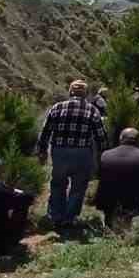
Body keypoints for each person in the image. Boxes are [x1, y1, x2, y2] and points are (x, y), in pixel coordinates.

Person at [36, 80, 107, 229]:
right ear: (86, 94)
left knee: (58, 184)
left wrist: (42, 151)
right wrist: (103, 154)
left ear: (70, 92)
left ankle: (56, 216)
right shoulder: (92, 110)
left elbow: (45, 132)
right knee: (78, 186)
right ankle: (69, 218)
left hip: (59, 152)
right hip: (82, 154)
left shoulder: (57, 108)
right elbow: (101, 136)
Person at [95, 127, 139, 235]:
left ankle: (109, 220)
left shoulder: (106, 155)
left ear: (120, 138)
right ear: (138, 140)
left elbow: (99, 177)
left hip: (108, 201)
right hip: (133, 202)